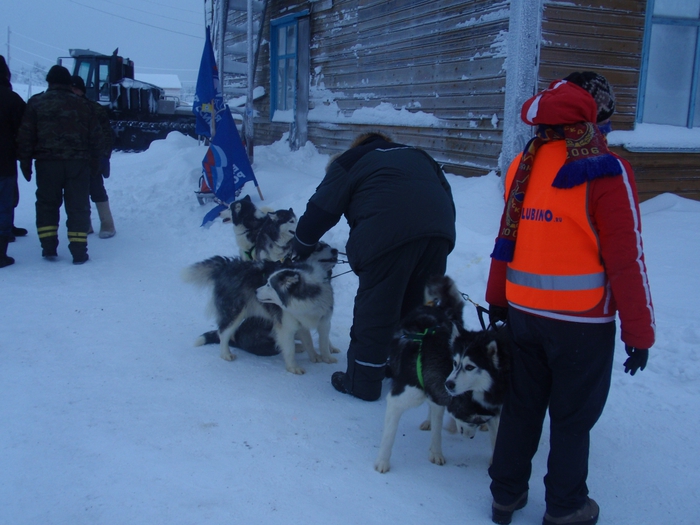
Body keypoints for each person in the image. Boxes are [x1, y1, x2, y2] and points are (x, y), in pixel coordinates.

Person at [485, 72, 656, 525]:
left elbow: (507, 237)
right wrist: (640, 332)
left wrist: (497, 299)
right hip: (581, 323)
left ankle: (505, 495)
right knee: (572, 417)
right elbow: (626, 259)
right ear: (595, 117)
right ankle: (565, 507)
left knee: (523, 406)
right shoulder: (604, 168)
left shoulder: (524, 162)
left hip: (523, 313)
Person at [291, 132, 456, 401]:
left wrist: (299, 246)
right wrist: (438, 237)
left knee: (377, 309)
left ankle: (362, 383)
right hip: (438, 232)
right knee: (418, 309)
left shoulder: (350, 160)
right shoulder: (418, 155)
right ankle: (411, 373)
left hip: (386, 235)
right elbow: (446, 196)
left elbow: (320, 210)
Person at [17, 65, 104, 264]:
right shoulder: (83, 105)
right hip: (78, 164)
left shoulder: (36, 103)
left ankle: (48, 248)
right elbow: (97, 137)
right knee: (78, 207)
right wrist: (96, 161)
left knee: (47, 205)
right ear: (68, 83)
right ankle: (79, 252)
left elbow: (25, 135)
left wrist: (25, 161)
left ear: (49, 82)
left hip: (47, 164)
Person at [71, 75, 116, 238]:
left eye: (76, 89)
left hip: (92, 159)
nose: (73, 92)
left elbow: (106, 135)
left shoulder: (94, 109)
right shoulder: (66, 108)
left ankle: (107, 224)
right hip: (73, 159)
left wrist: (105, 156)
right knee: (77, 193)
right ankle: (85, 224)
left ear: (82, 90)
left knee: (96, 190)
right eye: (71, 89)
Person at [0, 55, 26, 267]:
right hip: (5, 161)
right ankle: (1, 250)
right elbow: (24, 129)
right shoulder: (12, 99)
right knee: (5, 203)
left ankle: (9, 229)